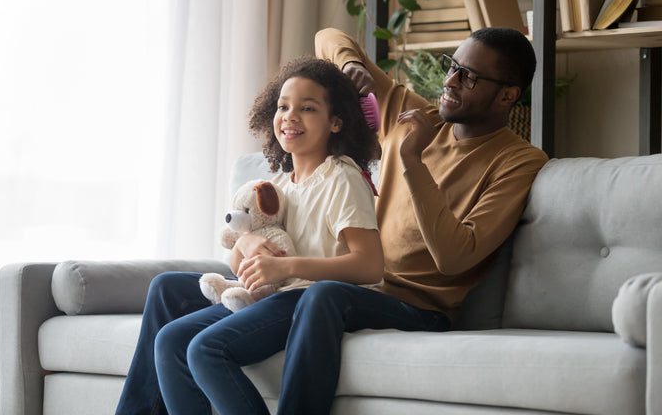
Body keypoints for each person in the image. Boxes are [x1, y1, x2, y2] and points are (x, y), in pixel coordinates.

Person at [244, 27, 548, 414]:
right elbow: (327, 37)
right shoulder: (413, 115)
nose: (449, 82)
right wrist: (354, 66)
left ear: (508, 95)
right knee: (174, 293)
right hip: (364, 289)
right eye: (451, 66)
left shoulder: (518, 161)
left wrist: (411, 161)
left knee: (323, 293)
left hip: (419, 309)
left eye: (467, 76)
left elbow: (455, 258)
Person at [115, 56, 384, 415]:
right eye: (283, 106)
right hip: (273, 293)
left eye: (307, 108)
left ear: (336, 122)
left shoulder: (341, 178)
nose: (290, 116)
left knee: (202, 348)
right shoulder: (276, 185)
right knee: (169, 330)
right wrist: (244, 242)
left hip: (304, 299)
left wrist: (284, 268)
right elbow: (238, 263)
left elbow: (370, 265)